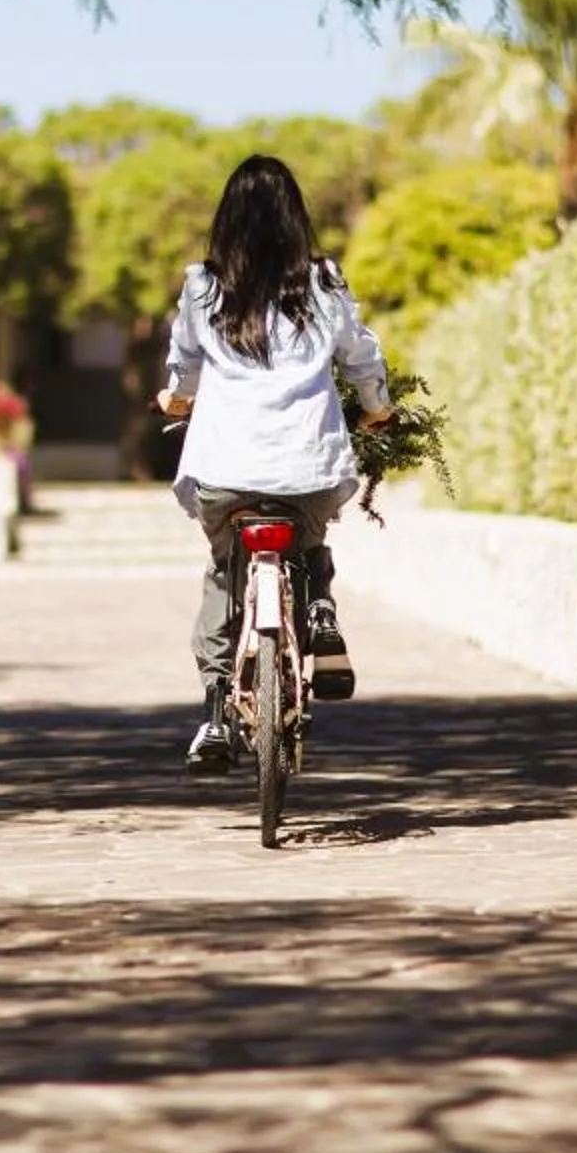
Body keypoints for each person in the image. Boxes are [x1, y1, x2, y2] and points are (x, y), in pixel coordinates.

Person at [156, 154, 394, 769]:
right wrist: (376, 408)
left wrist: (177, 397)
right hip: (307, 462)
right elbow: (361, 357)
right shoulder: (325, 282)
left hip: (223, 469)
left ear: (226, 221)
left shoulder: (202, 285)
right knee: (308, 540)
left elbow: (185, 365)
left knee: (222, 571)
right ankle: (317, 604)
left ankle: (214, 711)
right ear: (296, 220)